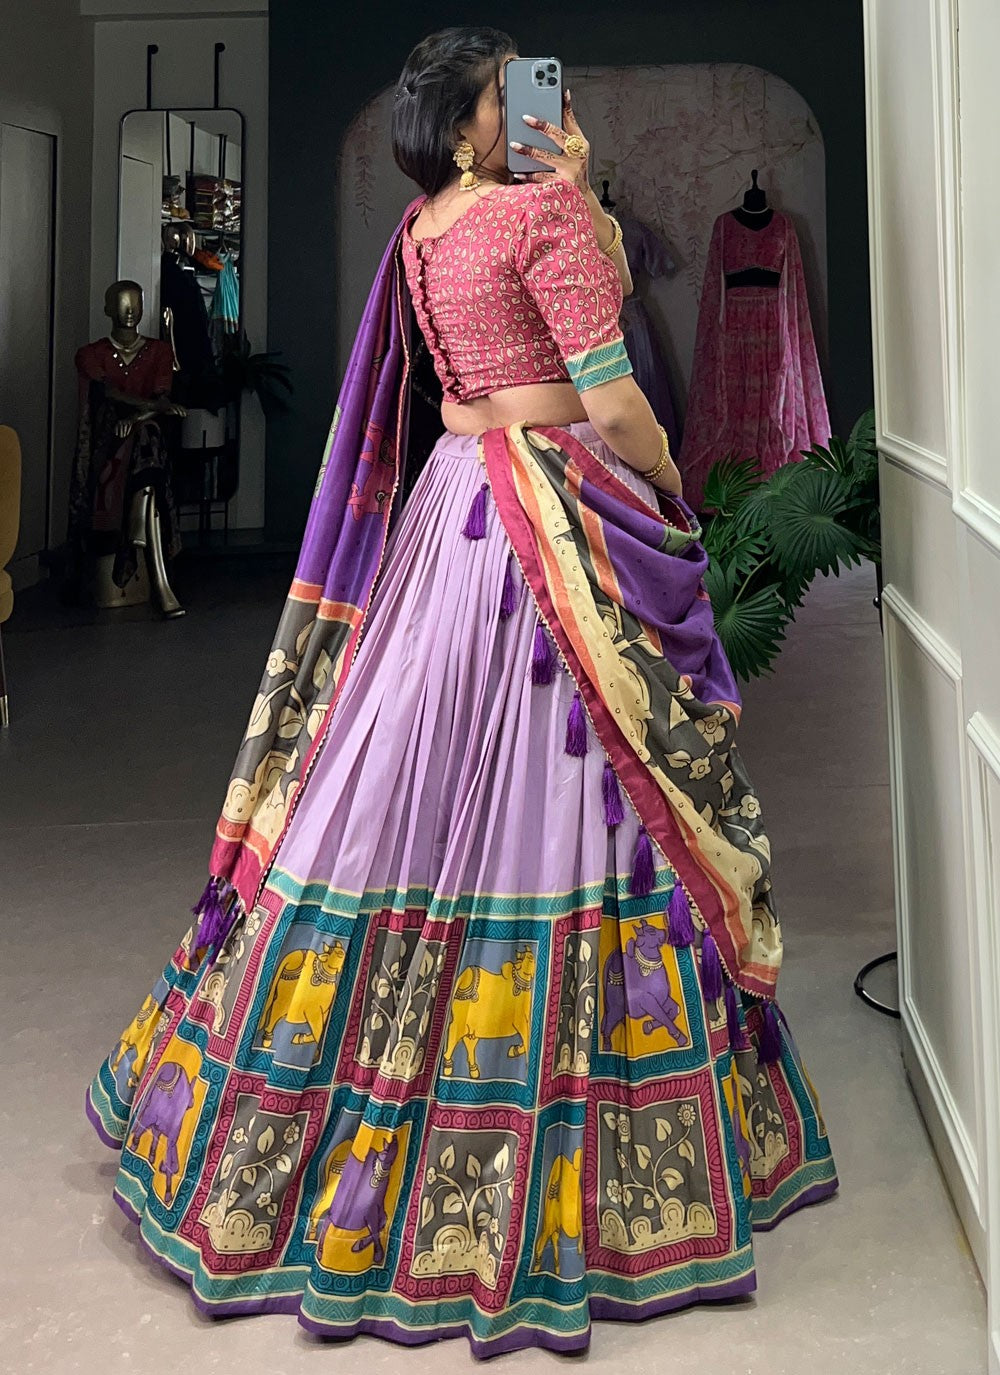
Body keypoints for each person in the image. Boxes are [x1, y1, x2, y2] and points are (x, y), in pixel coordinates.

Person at [85, 26, 837, 1359]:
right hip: (545, 510)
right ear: (470, 119)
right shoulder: (536, 213)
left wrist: (581, 201)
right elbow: (611, 400)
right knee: (578, 786)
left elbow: (494, 361)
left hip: (452, 512)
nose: (527, 107)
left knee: (400, 781)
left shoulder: (424, 229)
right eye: (506, 95)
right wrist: (672, 485)